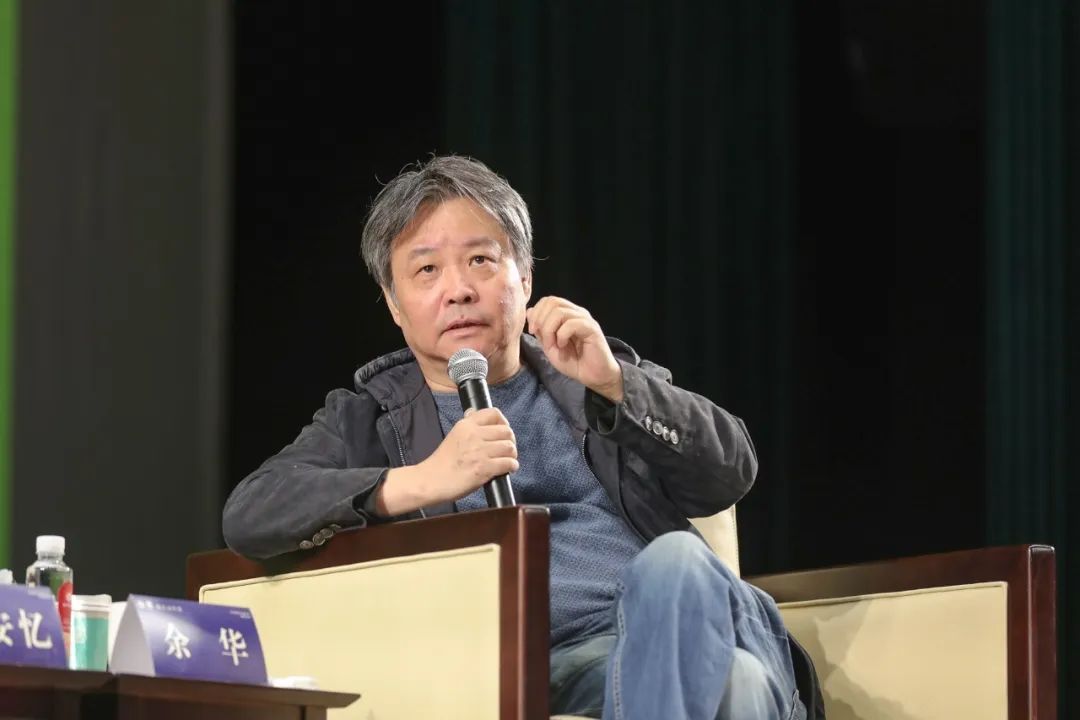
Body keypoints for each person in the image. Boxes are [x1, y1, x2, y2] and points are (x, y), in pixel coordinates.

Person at [222, 155, 821, 720]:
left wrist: (616, 385)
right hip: (545, 665)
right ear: (394, 304)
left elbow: (729, 471)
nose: (458, 289)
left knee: (685, 576)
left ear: (526, 276)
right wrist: (419, 481)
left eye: (481, 260)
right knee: (740, 681)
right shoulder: (369, 417)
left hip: (664, 624)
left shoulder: (590, 374)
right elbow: (251, 515)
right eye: (427, 270)